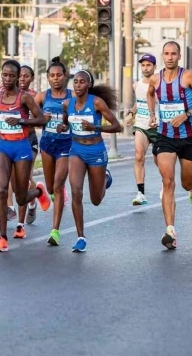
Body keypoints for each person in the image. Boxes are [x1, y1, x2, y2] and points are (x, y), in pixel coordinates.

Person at [0, 60, 49, 253]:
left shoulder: (24, 98)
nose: (8, 79)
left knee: (20, 198)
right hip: (4, 147)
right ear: (1, 75)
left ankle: (39, 192)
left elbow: (42, 119)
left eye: (12, 75)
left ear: (18, 77)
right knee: (2, 190)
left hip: (22, 148)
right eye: (5, 75)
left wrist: (22, 120)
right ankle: (2, 238)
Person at [146, 41, 192, 250]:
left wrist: (186, 115)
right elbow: (149, 94)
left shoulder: (188, 76)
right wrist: (153, 114)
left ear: (179, 56)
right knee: (167, 181)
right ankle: (170, 231)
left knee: (185, 183)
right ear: (163, 56)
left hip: (189, 136)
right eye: (166, 53)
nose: (170, 57)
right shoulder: (155, 79)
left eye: (174, 53)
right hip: (165, 136)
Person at [56, 70, 121, 252]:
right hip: (76, 150)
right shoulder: (67, 104)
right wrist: (63, 127)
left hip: (96, 151)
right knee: (76, 192)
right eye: (75, 81)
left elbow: (117, 126)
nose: (77, 85)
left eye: (82, 82)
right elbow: (67, 123)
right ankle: (81, 237)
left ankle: (105, 178)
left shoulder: (97, 103)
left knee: (96, 200)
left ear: (89, 85)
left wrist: (95, 127)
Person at [33, 57, 72, 246]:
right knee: (50, 188)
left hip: (67, 145)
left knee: (57, 185)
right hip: (47, 144)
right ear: (48, 78)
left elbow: (83, 115)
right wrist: (41, 117)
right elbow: (30, 116)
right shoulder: (42, 96)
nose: (56, 78)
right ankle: (46, 192)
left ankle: (55, 231)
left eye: (59, 75)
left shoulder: (73, 96)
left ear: (65, 76)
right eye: (52, 75)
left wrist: (68, 123)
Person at [9, 65, 41, 239]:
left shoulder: (34, 97)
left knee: (25, 178)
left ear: (31, 78)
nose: (22, 79)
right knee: (15, 184)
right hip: (11, 142)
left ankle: (20, 224)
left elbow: (41, 118)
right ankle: (34, 196)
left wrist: (22, 121)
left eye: (25, 76)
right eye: (19, 76)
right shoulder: (7, 95)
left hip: (29, 141)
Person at [125, 53, 159, 206]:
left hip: (159, 127)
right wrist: (131, 114)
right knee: (139, 157)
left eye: (148, 65)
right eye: (143, 65)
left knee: (161, 162)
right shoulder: (136, 85)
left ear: (154, 67)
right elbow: (139, 102)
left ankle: (166, 187)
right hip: (141, 125)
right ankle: (141, 193)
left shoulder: (160, 84)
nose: (145, 68)